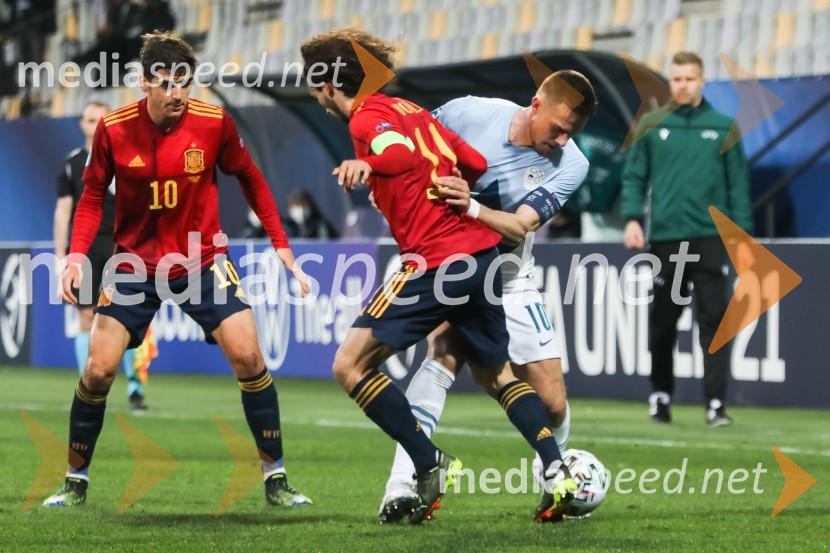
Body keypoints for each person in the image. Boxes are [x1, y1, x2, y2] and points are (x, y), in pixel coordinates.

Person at [301, 27, 577, 524]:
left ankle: (428, 463)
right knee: (497, 374)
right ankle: (556, 469)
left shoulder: (367, 119)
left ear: (327, 86)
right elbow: (471, 160)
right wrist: (451, 188)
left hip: (434, 262)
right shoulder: (408, 109)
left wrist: (368, 166)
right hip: (483, 258)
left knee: (349, 365)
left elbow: (399, 155)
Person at [44, 31, 311, 508]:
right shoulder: (113, 129)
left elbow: (250, 177)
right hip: (133, 265)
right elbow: (89, 196)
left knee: (250, 358)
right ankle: (74, 479)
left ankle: (276, 478)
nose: (177, 94)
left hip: (203, 260)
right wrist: (75, 255)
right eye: (166, 83)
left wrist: (281, 244)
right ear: (144, 83)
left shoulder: (214, 123)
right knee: (99, 369)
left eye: (184, 82)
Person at [380, 72, 596, 518]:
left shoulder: (573, 164)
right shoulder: (468, 112)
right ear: (536, 105)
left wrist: (471, 206)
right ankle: (401, 485)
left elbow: (520, 225)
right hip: (449, 264)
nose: (560, 140)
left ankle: (552, 473)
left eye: (570, 134)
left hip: (510, 276)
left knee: (553, 402)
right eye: (557, 128)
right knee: (440, 355)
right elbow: (409, 140)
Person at [621, 51, 753, 427]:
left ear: (702, 81)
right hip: (666, 240)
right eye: (675, 79)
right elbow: (634, 177)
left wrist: (743, 239)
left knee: (715, 323)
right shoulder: (651, 123)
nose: (681, 85)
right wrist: (632, 218)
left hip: (711, 239)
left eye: (688, 79)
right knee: (662, 323)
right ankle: (660, 396)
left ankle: (715, 404)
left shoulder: (724, 126)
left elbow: (738, 187)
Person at [54, 101, 148, 412]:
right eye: (88, 119)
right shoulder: (72, 162)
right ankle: (88, 385)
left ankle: (135, 386)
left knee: (127, 319)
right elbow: (64, 210)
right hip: (87, 248)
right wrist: (61, 256)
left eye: (98, 119)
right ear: (81, 124)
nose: (92, 124)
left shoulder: (128, 156)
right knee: (85, 316)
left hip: (122, 248)